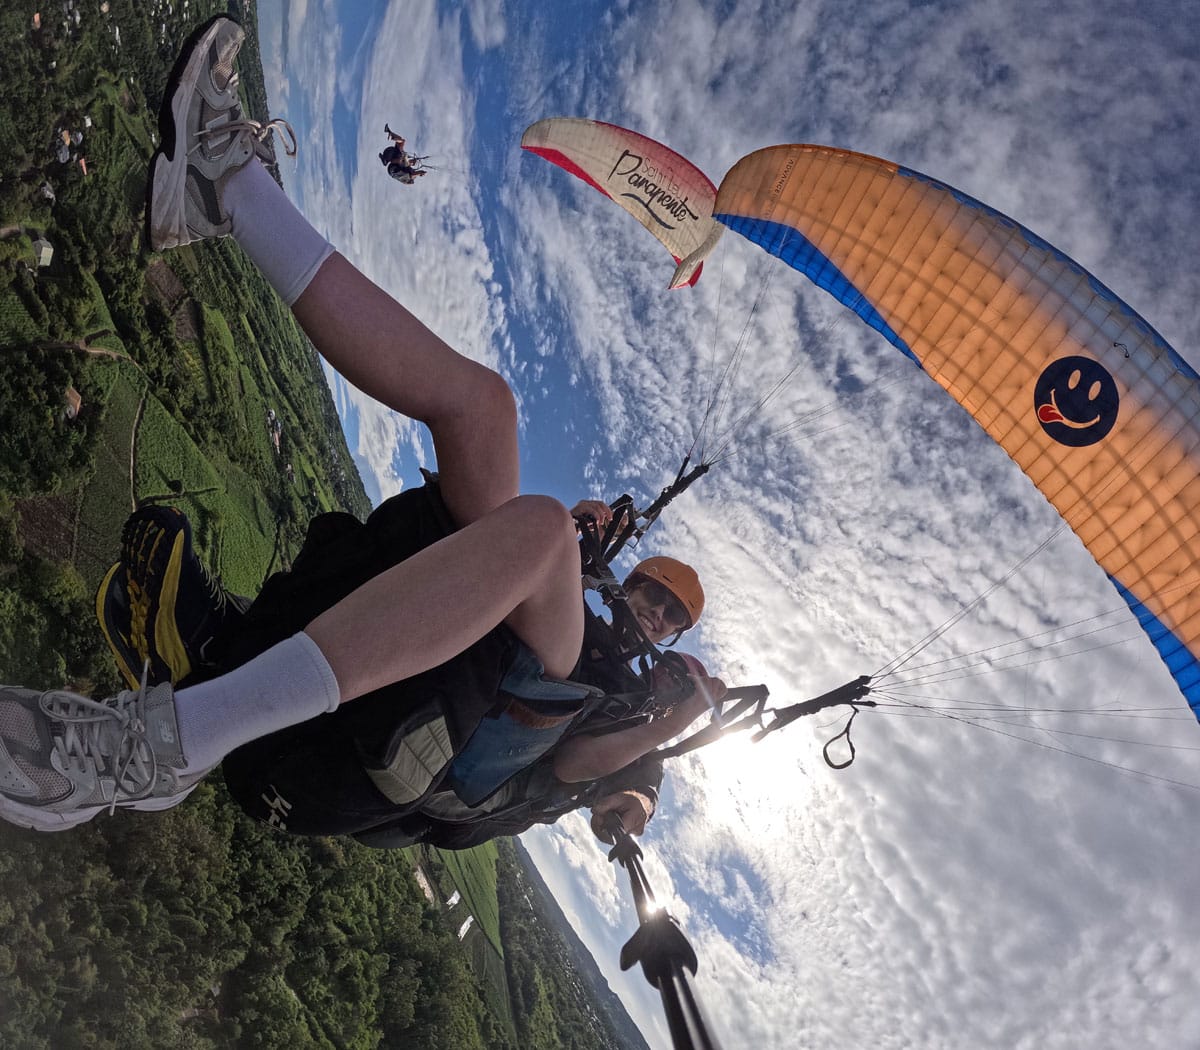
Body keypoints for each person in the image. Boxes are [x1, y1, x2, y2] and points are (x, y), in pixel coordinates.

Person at [0, 15, 724, 844]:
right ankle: (223, 185)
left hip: (453, 751)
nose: (660, 615)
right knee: (486, 413)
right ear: (637, 581)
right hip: (490, 650)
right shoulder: (592, 594)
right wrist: (575, 546)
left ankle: (151, 751)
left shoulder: (643, 705)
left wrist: (662, 735)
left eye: (673, 617)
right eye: (659, 593)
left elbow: (593, 789)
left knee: (535, 531)